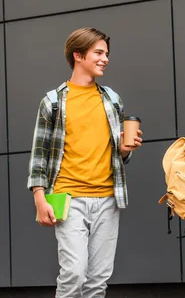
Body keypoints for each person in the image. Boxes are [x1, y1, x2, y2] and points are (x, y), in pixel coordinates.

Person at [28, 27, 143, 297]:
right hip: (69, 198)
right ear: (78, 55)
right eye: (99, 53)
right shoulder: (53, 102)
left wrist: (127, 149)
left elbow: (119, 156)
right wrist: (39, 197)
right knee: (74, 275)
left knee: (98, 281)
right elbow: (39, 153)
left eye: (107, 54)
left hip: (108, 199)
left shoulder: (112, 100)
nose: (105, 58)